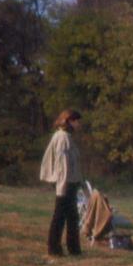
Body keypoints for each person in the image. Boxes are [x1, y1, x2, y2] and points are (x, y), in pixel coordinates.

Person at [40, 109, 84, 257]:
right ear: (69, 121)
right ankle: (54, 248)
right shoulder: (62, 137)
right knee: (59, 216)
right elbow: (62, 165)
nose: (79, 124)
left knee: (72, 218)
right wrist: (62, 186)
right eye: (77, 121)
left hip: (70, 182)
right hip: (66, 184)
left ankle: (74, 249)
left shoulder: (67, 137)